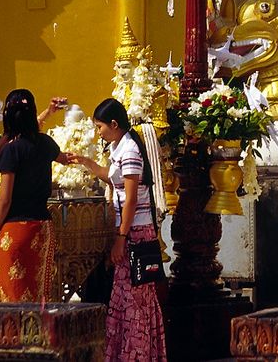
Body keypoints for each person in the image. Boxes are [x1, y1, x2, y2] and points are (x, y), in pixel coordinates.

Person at [67, 98, 167, 362]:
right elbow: (112, 177)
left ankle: (137, 355)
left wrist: (121, 237)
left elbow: (132, 199)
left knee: (133, 298)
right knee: (125, 296)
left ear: (114, 124)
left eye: (100, 127)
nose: (98, 132)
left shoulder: (131, 150)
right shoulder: (119, 147)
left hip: (134, 231)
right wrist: (85, 161)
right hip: (127, 228)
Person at [0, 89, 69, 302]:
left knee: (12, 295)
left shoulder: (10, 150)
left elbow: (5, 199)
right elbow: (62, 157)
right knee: (38, 295)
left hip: (16, 230)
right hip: (42, 228)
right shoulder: (45, 143)